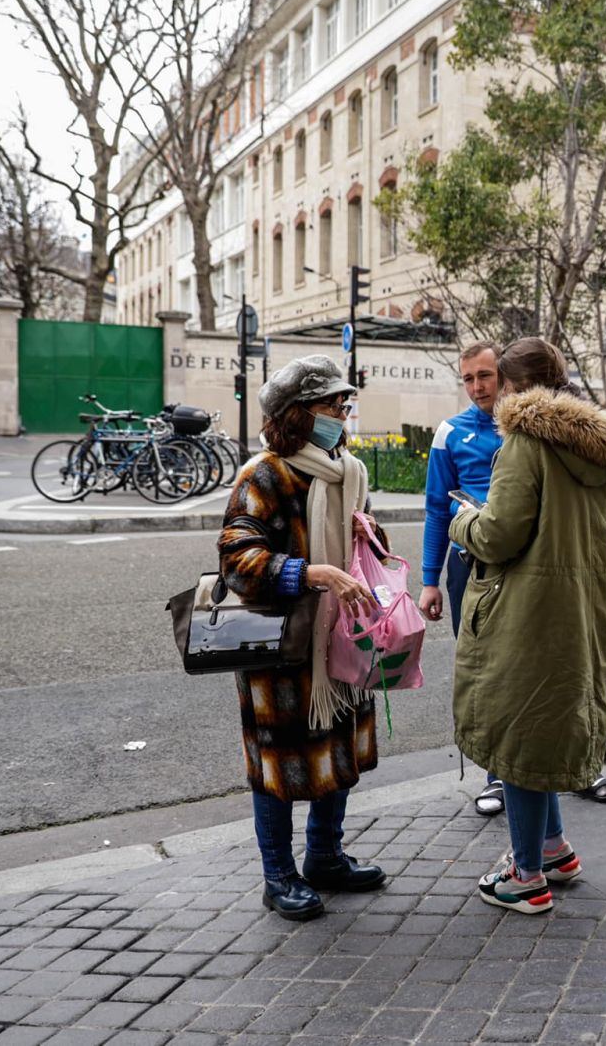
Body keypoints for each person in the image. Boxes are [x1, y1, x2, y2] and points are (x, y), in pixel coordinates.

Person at [448, 337, 606, 914]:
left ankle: (527, 877)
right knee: (545, 726)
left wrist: (464, 520)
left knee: (518, 732)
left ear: (512, 387)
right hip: (579, 606)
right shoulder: (593, 449)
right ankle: (554, 850)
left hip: (529, 610)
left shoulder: (525, 443)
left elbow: (499, 535)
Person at [219, 354, 389, 921]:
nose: (342, 412)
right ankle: (279, 876)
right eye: (330, 405)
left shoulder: (349, 471)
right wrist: (309, 573)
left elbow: (366, 546)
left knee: (335, 753)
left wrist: (370, 539)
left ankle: (324, 856)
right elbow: (237, 561)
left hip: (341, 637)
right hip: (283, 648)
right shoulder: (263, 474)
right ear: (297, 414)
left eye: (344, 403)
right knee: (279, 764)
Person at [418, 342, 507, 817]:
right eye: (468, 379)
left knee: (530, 665)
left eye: (485, 376)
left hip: (519, 565)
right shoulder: (450, 432)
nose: (477, 387)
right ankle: (495, 776)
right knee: (482, 671)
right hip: (466, 564)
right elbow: (435, 508)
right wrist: (430, 580)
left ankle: (551, 766)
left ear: (504, 374)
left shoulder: (526, 427)